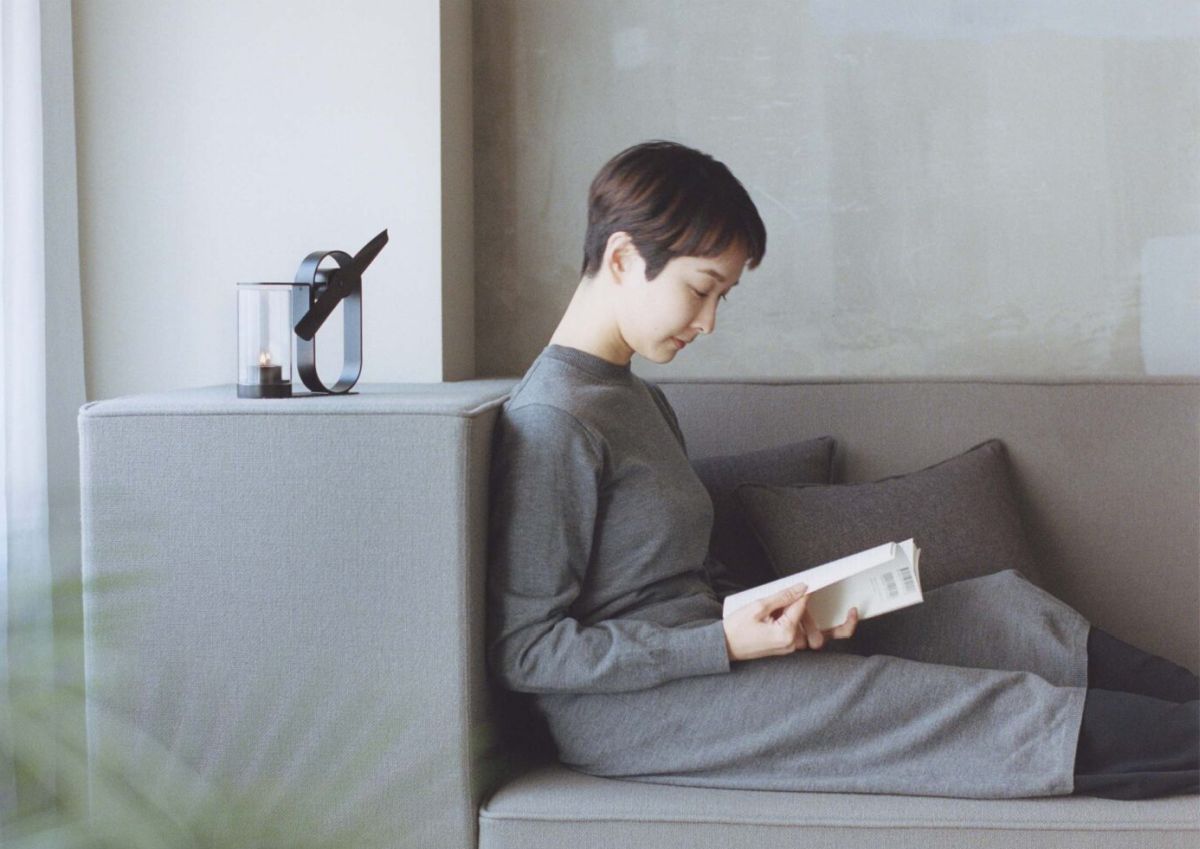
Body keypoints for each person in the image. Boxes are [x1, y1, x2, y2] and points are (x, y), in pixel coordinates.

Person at [485, 139, 1199, 799]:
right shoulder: (554, 420)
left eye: (721, 297)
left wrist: (785, 615)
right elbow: (528, 652)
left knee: (994, 612)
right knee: (952, 706)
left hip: (712, 651)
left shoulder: (639, 398)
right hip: (640, 712)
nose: (708, 322)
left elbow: (680, 577)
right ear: (620, 258)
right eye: (701, 288)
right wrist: (722, 640)